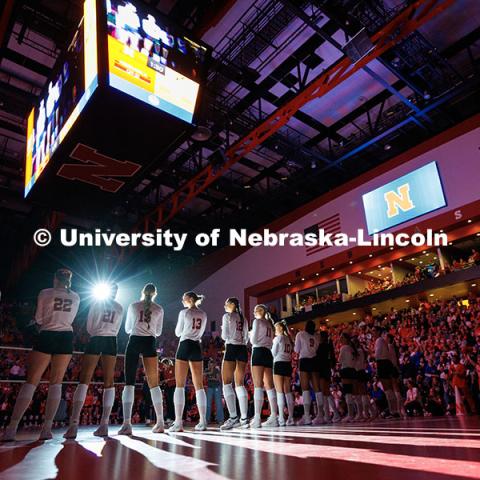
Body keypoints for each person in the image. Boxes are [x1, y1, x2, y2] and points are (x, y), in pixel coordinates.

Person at [2, 268, 80, 441]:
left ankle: (12, 427)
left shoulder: (45, 293)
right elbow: (72, 318)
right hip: (65, 336)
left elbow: (39, 319)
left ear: (55, 278)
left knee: (31, 381)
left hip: (47, 334)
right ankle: (47, 428)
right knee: (56, 383)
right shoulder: (75, 296)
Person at [118, 283, 164, 435]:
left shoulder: (133, 306)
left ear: (142, 292)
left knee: (129, 382)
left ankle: (126, 424)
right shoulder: (159, 309)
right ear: (155, 293)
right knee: (154, 383)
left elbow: (127, 328)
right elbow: (158, 332)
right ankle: (160, 421)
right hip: (149, 342)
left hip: (135, 340)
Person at [169, 291, 208, 432]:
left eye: (184, 298)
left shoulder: (184, 313)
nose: (182, 300)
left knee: (180, 385)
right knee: (199, 386)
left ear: (190, 299)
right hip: (196, 346)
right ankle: (203, 421)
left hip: (185, 344)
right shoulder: (203, 314)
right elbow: (202, 332)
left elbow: (178, 332)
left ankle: (178, 422)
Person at [219, 297, 249, 430]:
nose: (225, 306)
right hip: (242, 349)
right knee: (240, 384)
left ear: (232, 304)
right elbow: (247, 338)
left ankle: (233, 418)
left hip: (231, 347)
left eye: (226, 303)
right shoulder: (244, 318)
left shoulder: (227, 316)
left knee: (226, 382)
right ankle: (244, 418)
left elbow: (224, 336)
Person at [249, 304, 278, 428]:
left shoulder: (257, 321)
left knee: (258, 385)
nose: (254, 312)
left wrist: (250, 334)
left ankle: (257, 417)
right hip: (268, 353)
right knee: (270, 386)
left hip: (259, 352)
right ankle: (274, 416)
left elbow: (253, 341)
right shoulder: (270, 324)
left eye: (256, 310)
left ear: (261, 311)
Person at [294, 320, 322, 425]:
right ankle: (320, 415)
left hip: (304, 361)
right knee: (317, 389)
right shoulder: (316, 336)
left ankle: (307, 416)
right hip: (314, 360)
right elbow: (316, 348)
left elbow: (296, 350)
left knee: (305, 389)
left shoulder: (300, 334)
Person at [272, 320, 294, 426]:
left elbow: (273, 353)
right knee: (288, 391)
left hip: (279, 363)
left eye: (275, 328)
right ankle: (291, 417)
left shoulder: (278, 338)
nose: (274, 330)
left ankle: (281, 418)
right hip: (287, 364)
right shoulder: (288, 339)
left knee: (279, 391)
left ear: (280, 328)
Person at [316, 330, 340, 423]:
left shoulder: (321, 346)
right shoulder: (328, 346)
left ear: (322, 337)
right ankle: (334, 414)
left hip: (322, 369)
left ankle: (327, 416)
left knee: (324, 392)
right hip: (327, 370)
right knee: (326, 392)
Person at [374, 326, 397, 418]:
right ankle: (394, 410)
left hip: (382, 364)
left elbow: (377, 355)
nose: (373, 332)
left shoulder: (379, 340)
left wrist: (371, 354)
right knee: (389, 389)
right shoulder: (382, 341)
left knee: (387, 390)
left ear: (378, 331)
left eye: (374, 330)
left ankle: (393, 411)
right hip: (386, 364)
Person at [338, 332, 358, 422]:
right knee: (354, 393)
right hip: (353, 370)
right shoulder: (351, 348)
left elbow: (340, 360)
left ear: (346, 339)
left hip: (346, 370)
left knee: (348, 392)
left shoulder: (344, 348)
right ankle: (359, 413)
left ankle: (350, 414)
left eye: (342, 337)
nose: (340, 339)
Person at [387, 333, 405, 418]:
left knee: (396, 390)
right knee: (396, 390)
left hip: (391, 368)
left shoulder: (389, 347)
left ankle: (399, 410)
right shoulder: (393, 347)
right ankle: (400, 410)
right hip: (394, 368)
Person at [205, 358, 224, 425]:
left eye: (212, 363)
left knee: (218, 404)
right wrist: (209, 374)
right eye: (210, 363)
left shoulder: (216, 370)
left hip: (217, 387)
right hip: (209, 387)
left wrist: (211, 377)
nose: (211, 364)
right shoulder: (206, 370)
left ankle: (220, 419)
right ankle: (207, 419)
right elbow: (204, 377)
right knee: (208, 404)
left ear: (214, 364)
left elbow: (218, 379)